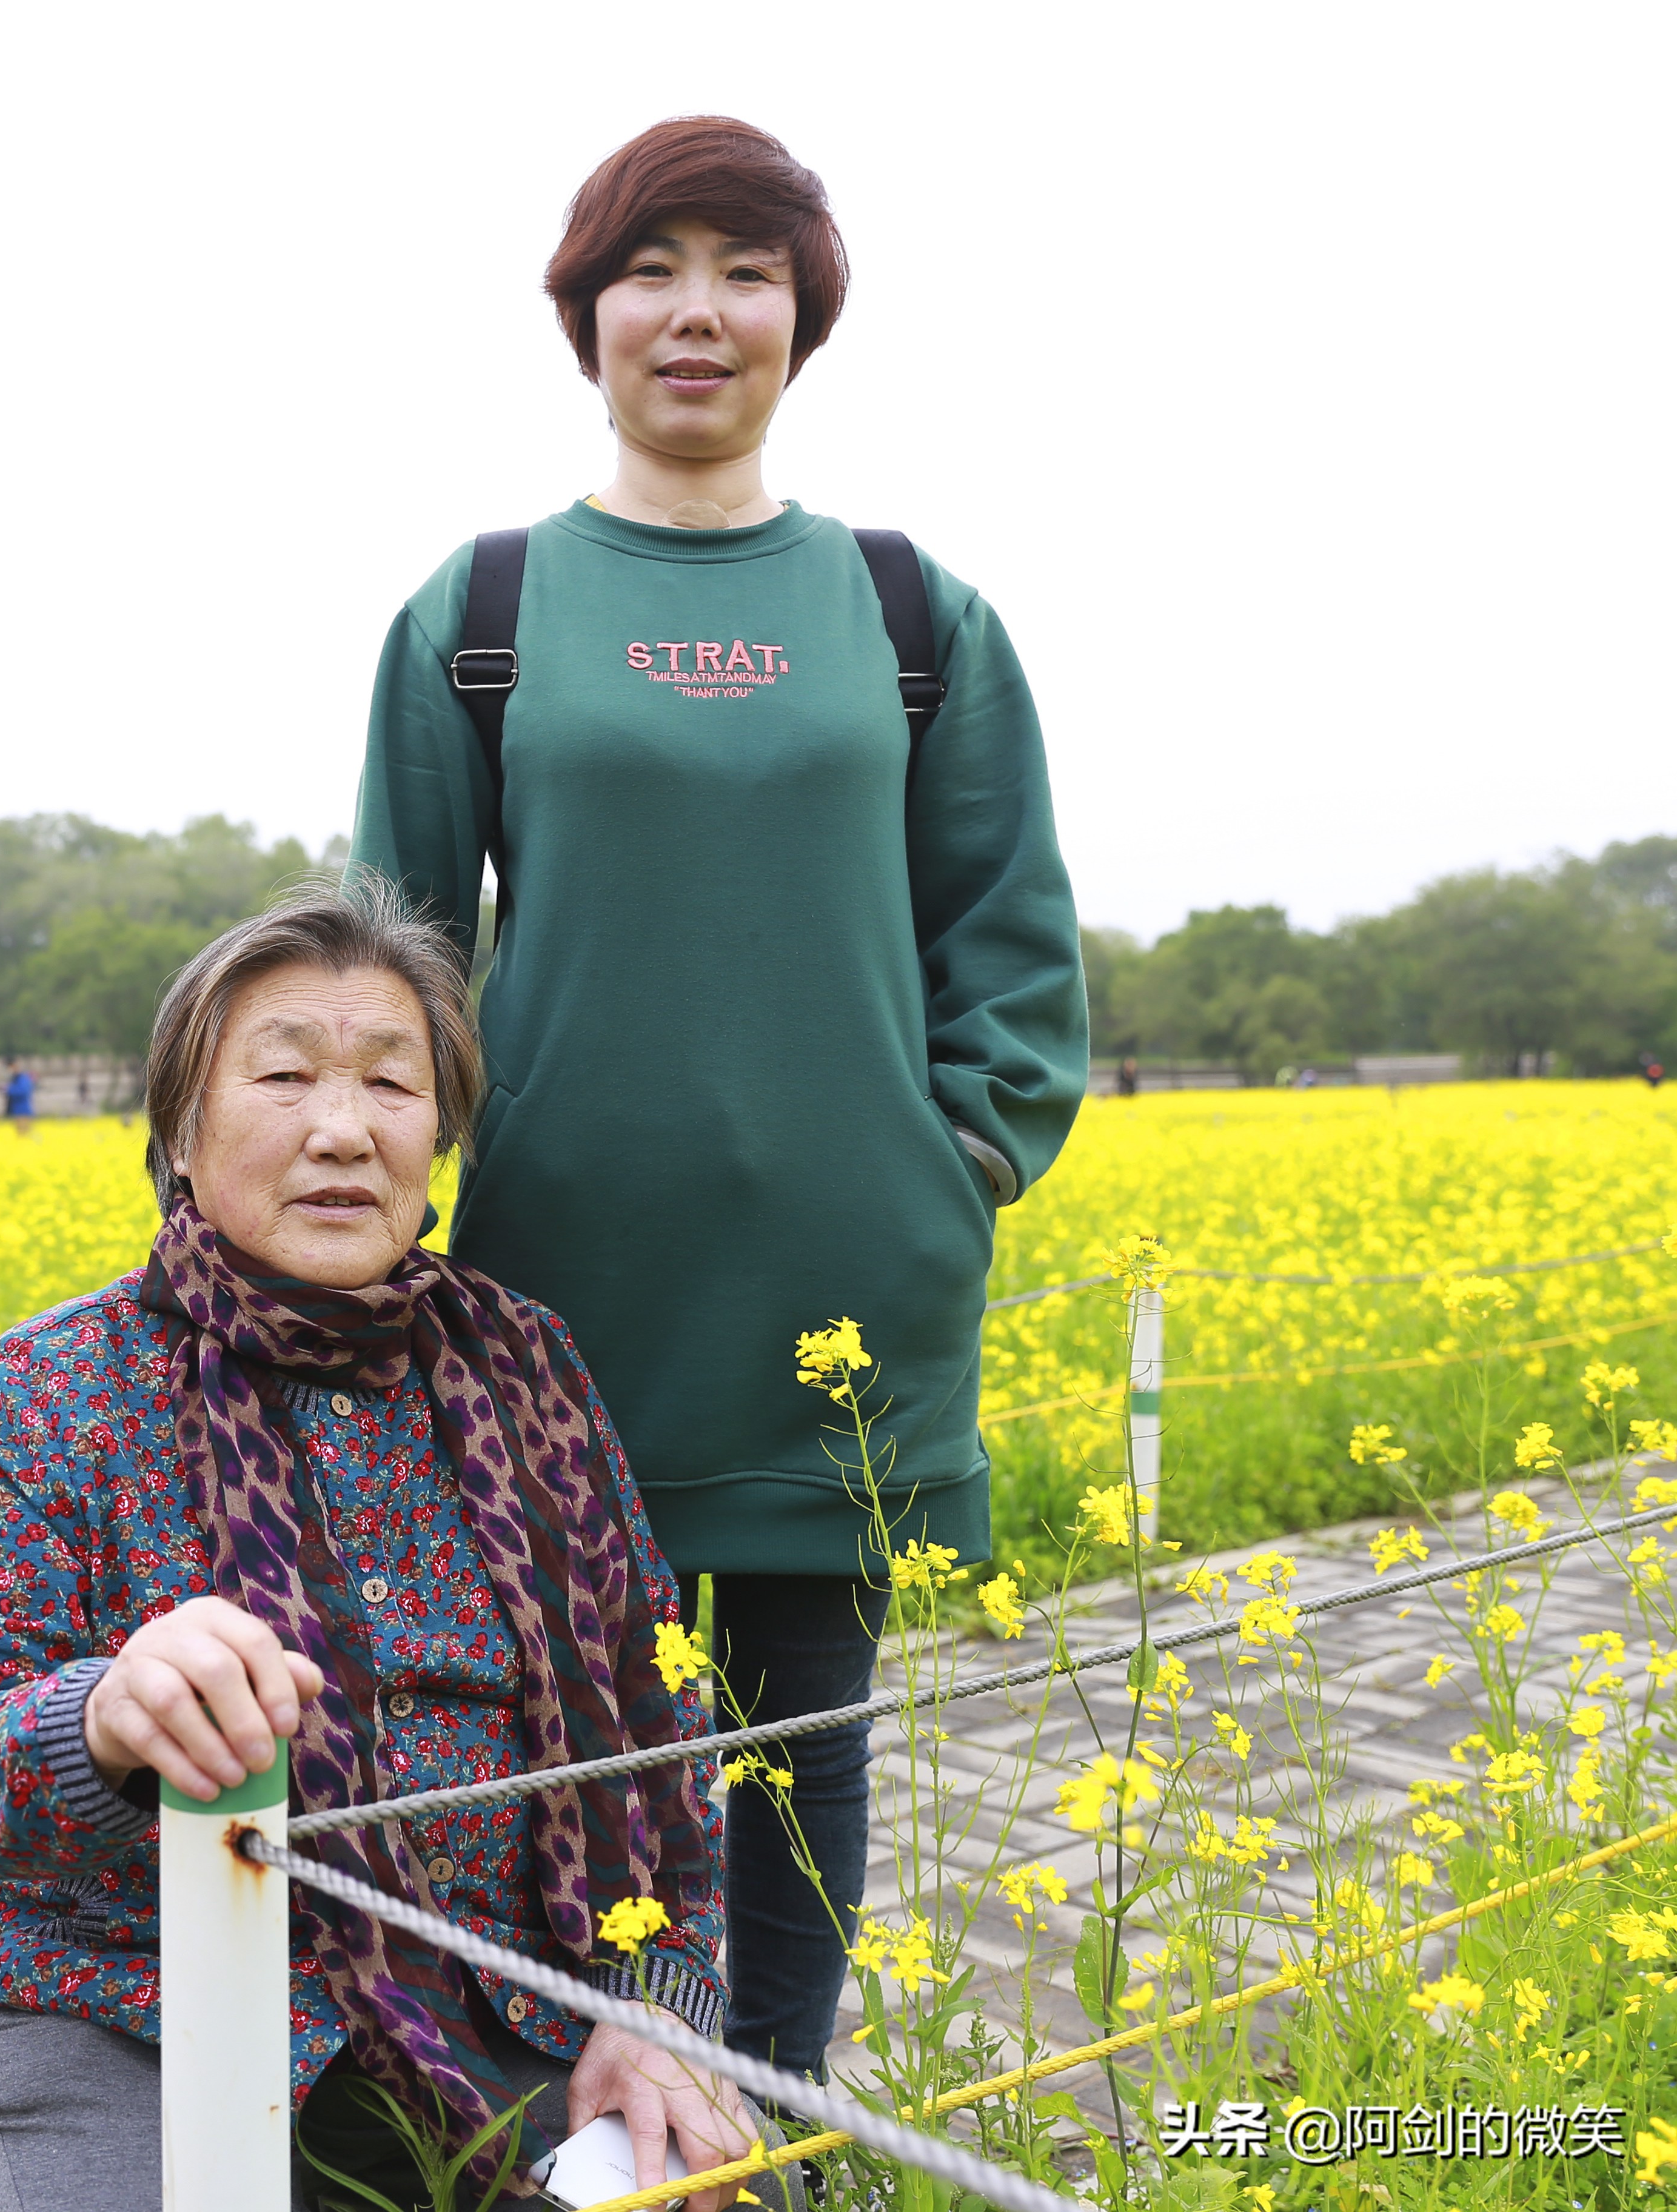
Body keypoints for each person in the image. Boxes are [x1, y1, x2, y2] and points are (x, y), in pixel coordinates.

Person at [350, 116, 1089, 2080]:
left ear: (801, 317)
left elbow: (1009, 941)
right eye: (650, 266)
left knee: (798, 1750)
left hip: (842, 1304)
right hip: (553, 1305)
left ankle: (777, 2110)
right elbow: (392, 968)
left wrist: (960, 1157)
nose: (696, 310)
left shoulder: (912, 613)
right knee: (561, 1747)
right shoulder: (483, 608)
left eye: (744, 269)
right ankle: (586, 2102)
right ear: (586, 313)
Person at [0, 888, 790, 2212]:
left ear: (440, 1133)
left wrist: (659, 2007)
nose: (343, 1129)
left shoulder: (528, 1366)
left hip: (482, 2003)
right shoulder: (55, 1386)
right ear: (182, 1132)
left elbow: (661, 1726)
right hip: (122, 2005)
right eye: (286, 1076)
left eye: (392, 1086)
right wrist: (104, 1719)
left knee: (745, 2195)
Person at [3, 1058, 36, 1134]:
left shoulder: (23, 1078)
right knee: (19, 1132)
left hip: (23, 1110)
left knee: (24, 1132)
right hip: (16, 1109)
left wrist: (9, 1090)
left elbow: (23, 1092)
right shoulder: (14, 1079)